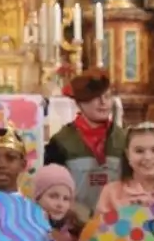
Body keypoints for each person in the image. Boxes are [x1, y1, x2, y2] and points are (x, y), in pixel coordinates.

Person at [45, 69, 127, 220]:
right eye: (95, 97)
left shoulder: (125, 139)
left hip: (118, 223)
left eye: (107, 96)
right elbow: (50, 190)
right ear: (80, 102)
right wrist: (79, 216)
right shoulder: (61, 142)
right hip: (74, 222)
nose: (103, 102)